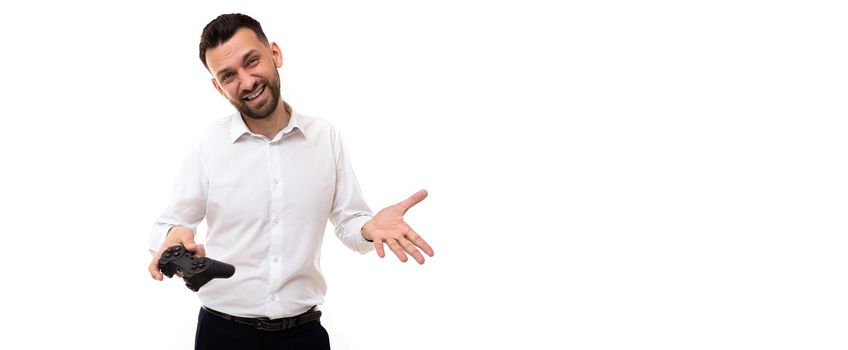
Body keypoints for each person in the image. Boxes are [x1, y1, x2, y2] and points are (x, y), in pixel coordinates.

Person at [146, 13, 434, 350]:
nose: (247, 81)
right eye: (228, 76)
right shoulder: (208, 146)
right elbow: (170, 224)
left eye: (251, 61)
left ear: (275, 54)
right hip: (223, 335)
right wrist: (175, 235)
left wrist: (368, 228)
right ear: (218, 86)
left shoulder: (325, 137)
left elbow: (350, 221)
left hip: (304, 336)